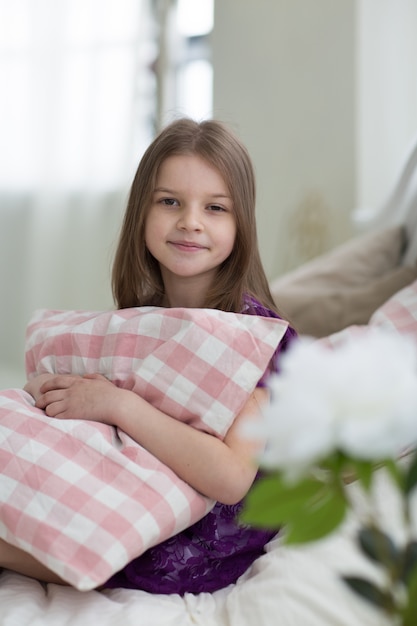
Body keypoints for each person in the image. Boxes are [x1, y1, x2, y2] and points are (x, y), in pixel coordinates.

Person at [2, 118, 297, 593]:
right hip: (139, 489)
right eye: (169, 201)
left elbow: (230, 479)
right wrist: (50, 396)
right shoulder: (148, 319)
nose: (190, 221)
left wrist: (116, 404)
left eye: (215, 207)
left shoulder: (253, 338)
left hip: (203, 535)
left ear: (241, 223)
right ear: (142, 211)